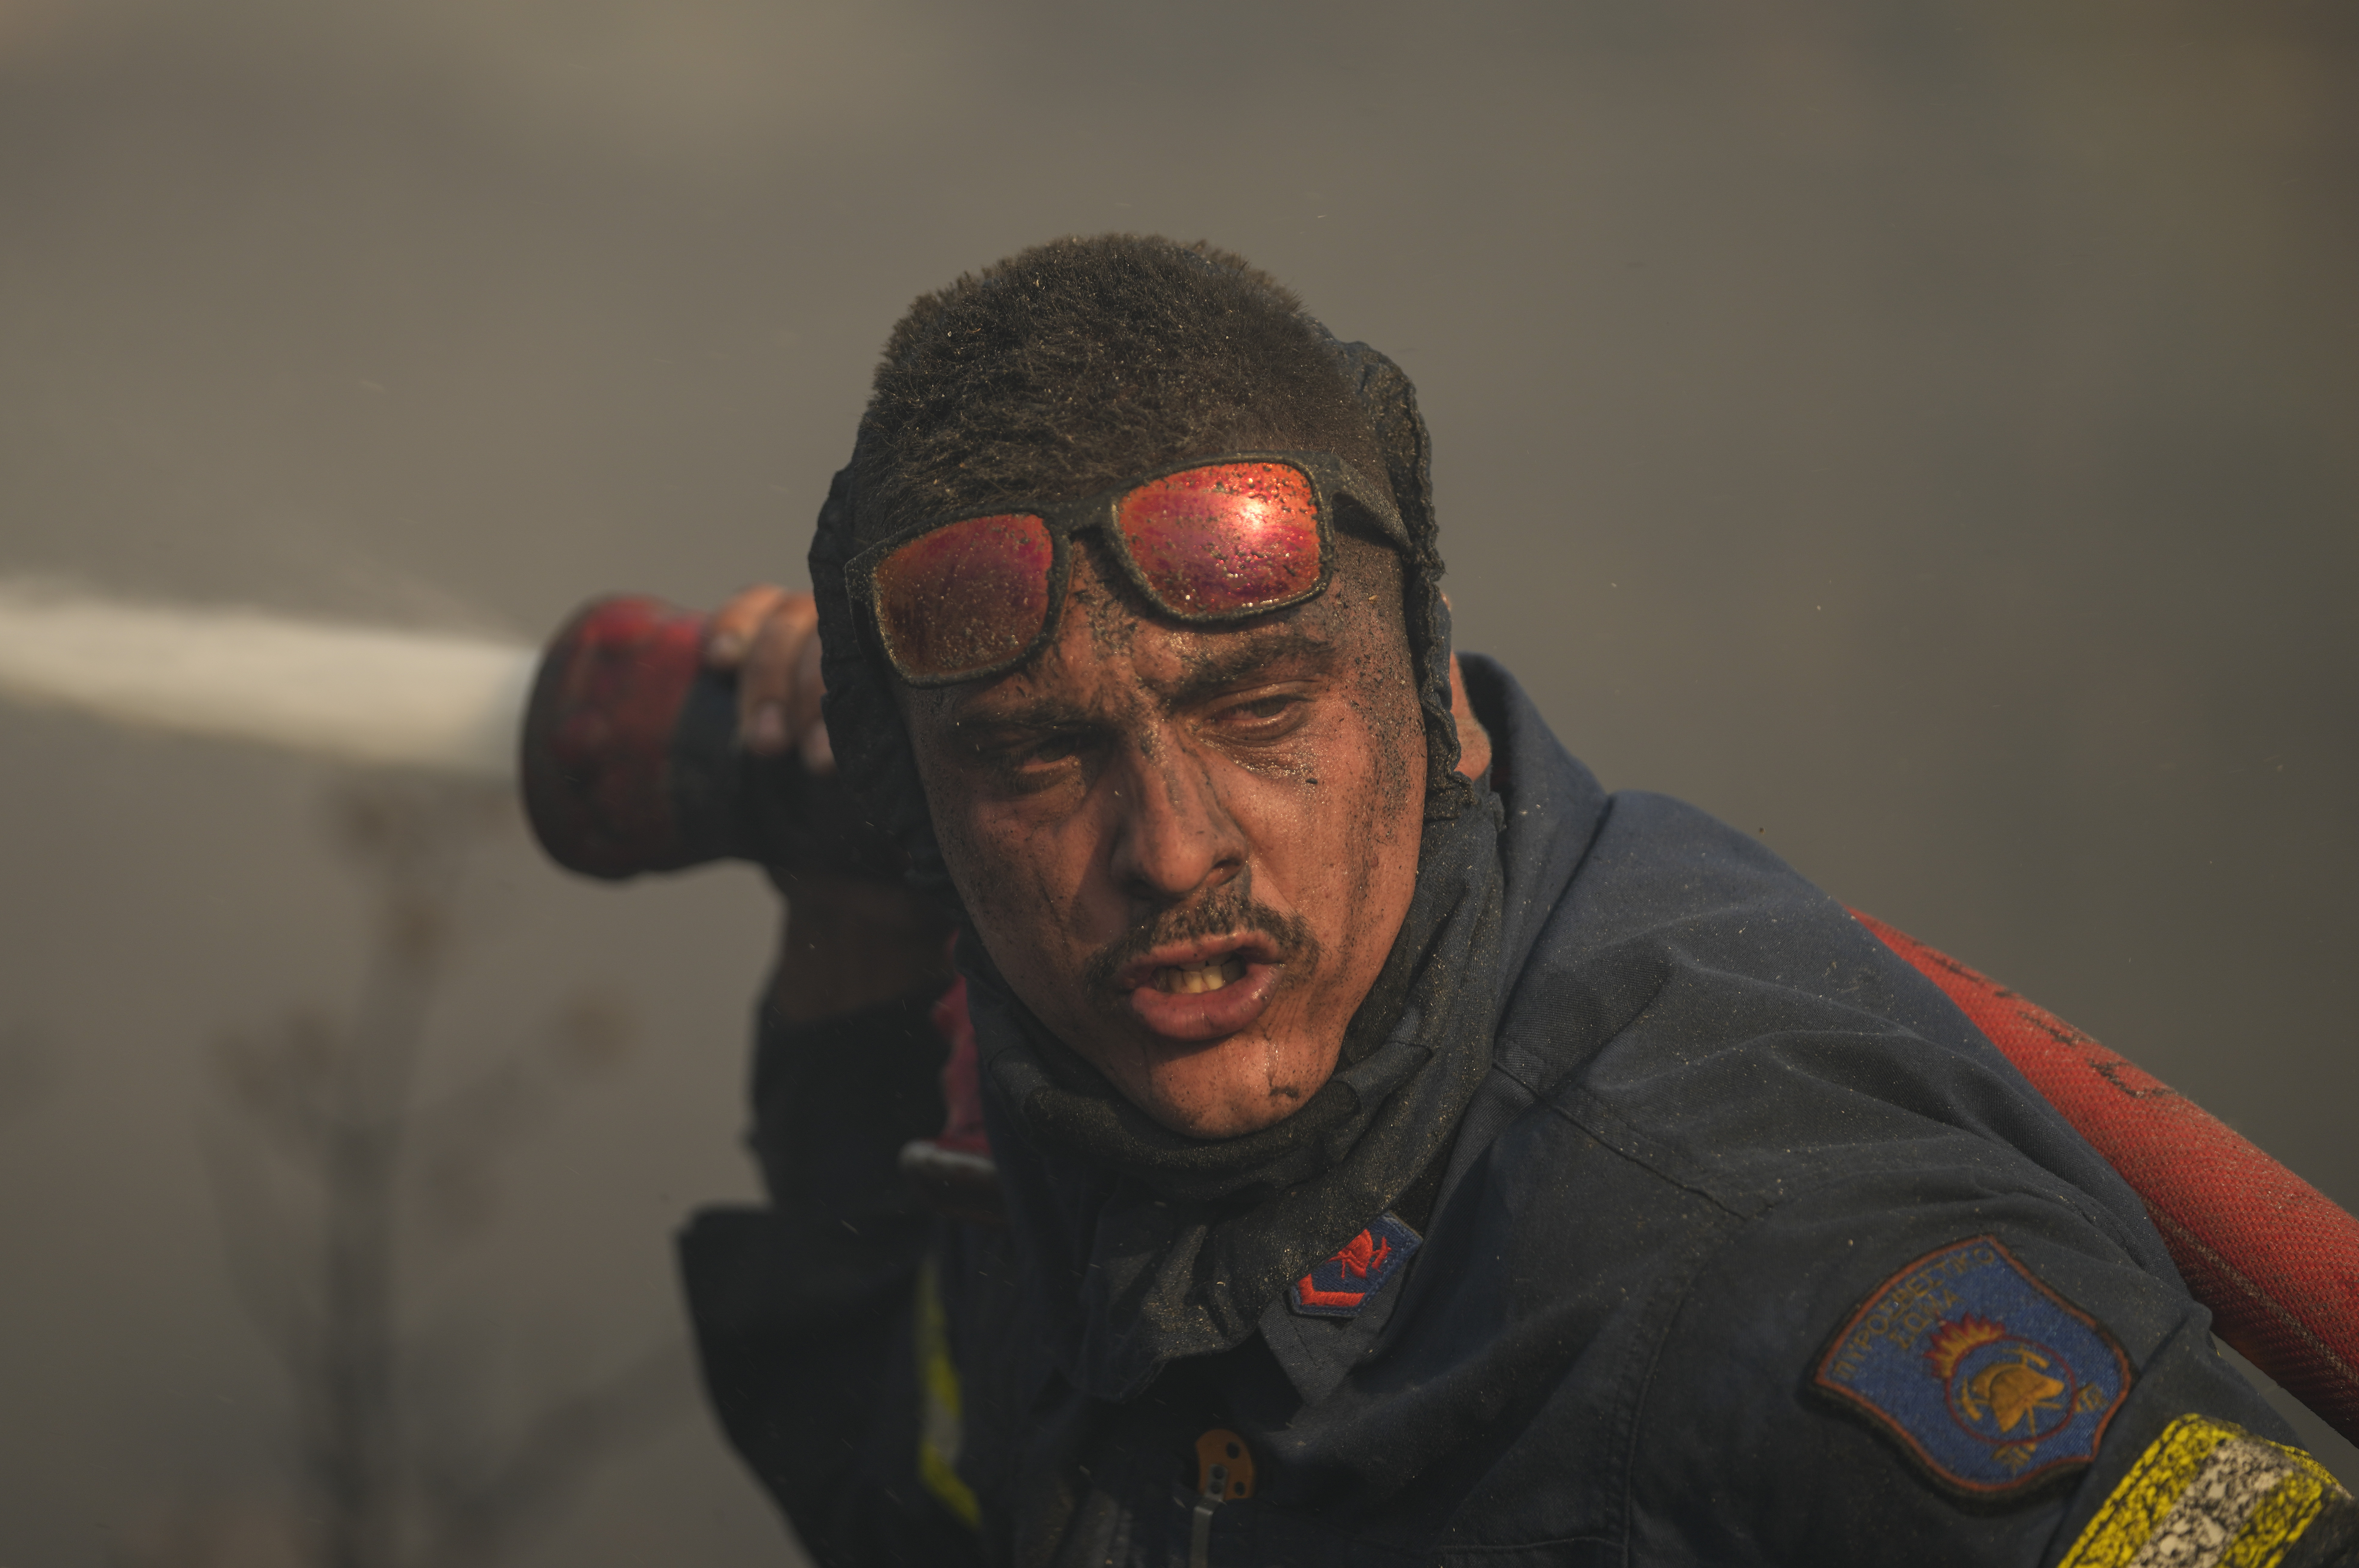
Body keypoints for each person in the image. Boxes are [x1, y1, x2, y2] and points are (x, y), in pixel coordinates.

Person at [673, 235, 2354, 1566]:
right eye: (1040, 762)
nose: (1173, 853)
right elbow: (929, 1505)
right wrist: (850, 935)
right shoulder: (1084, 1099)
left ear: (1431, 692)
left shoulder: (1758, 1245)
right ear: (924, 816)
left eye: (1259, 712)